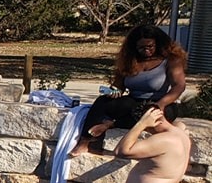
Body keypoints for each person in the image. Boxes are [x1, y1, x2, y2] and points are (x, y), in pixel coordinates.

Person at [71, 25, 187, 157]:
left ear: (158, 44)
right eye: (141, 48)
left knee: (146, 112)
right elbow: (119, 86)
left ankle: (110, 124)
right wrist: (113, 92)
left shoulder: (171, 60)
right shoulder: (129, 60)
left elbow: (179, 86)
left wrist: (160, 104)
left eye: (150, 46)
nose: (146, 50)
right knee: (102, 102)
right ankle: (86, 141)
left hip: (161, 103)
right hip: (133, 102)